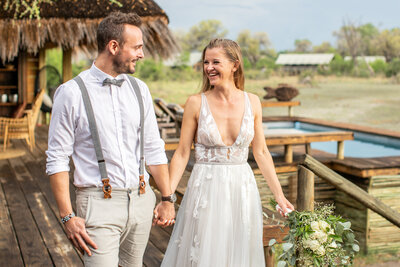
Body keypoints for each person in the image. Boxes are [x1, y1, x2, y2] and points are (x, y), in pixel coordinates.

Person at [46, 11, 175, 267]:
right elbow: (57, 159)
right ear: (113, 46)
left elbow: (153, 148)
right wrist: (66, 216)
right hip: (98, 204)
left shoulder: (140, 89)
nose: (142, 54)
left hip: (141, 199)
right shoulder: (70, 93)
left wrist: (167, 199)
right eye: (137, 47)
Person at [159, 39, 294, 266]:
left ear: (235, 65)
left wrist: (280, 197)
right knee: (204, 253)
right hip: (206, 190)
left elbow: (261, 152)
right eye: (206, 62)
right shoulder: (195, 103)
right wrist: (167, 198)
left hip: (242, 189)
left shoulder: (253, 102)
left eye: (215, 62)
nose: (209, 67)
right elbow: (182, 153)